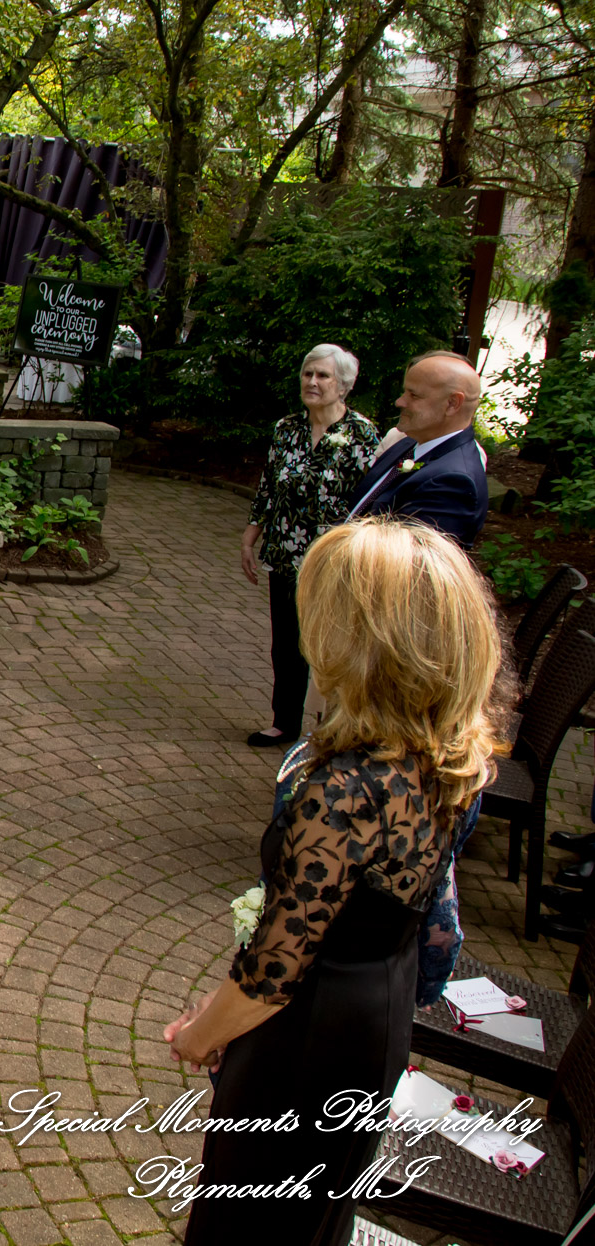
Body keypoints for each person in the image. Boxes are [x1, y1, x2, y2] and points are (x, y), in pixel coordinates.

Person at [166, 518, 503, 1245]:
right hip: (374, 1019)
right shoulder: (445, 756)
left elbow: (274, 973)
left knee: (248, 1225)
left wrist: (199, 1033)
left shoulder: (347, 788)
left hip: (306, 1043)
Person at [241, 344, 379, 748]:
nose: (313, 382)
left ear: (344, 386)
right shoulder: (287, 429)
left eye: (323, 376)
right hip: (286, 551)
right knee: (285, 642)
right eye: (308, 374)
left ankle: (330, 726)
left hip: (333, 559)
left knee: (327, 643)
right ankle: (283, 722)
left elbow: (369, 500)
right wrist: (252, 534)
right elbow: (268, 486)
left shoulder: (361, 434)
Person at [343, 350, 489, 548]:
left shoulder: (454, 482)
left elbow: (402, 566)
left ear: (452, 404)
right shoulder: (409, 443)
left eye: (414, 395)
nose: (400, 401)